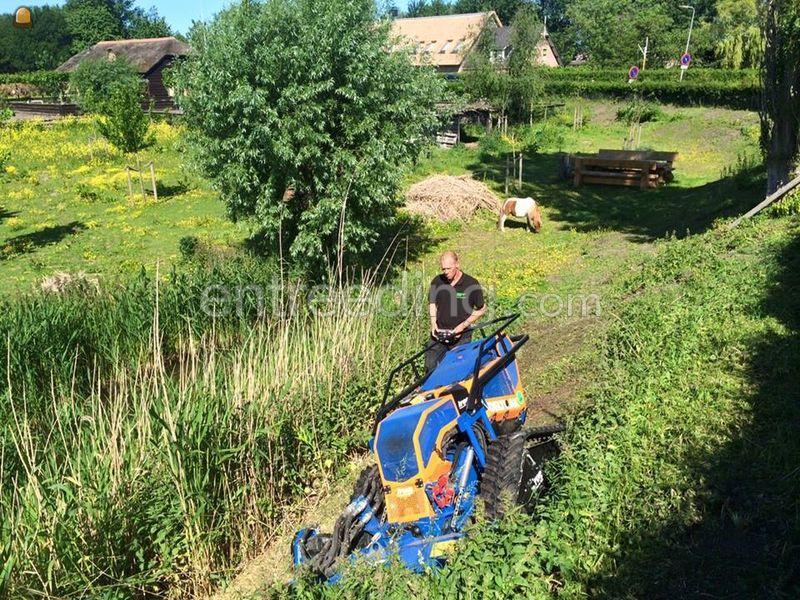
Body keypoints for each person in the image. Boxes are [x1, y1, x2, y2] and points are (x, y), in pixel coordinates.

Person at [426, 251, 486, 372]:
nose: (446, 272)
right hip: (440, 333)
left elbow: (482, 309)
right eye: (443, 269)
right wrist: (433, 323)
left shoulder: (471, 283)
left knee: (457, 370)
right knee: (430, 366)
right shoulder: (437, 281)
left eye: (449, 268)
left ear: (457, 264)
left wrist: (463, 325)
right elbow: (432, 303)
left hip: (461, 335)